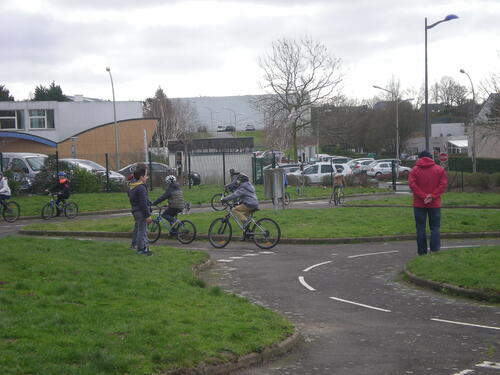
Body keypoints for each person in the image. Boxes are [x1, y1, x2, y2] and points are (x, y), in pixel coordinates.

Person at [408, 150, 448, 256]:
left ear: (419, 158)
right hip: (434, 204)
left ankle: (422, 252)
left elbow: (412, 185)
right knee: (435, 227)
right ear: (431, 158)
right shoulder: (439, 170)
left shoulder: (414, 170)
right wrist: (432, 196)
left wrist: (423, 196)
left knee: (420, 228)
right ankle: (434, 250)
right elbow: (442, 185)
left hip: (419, 203)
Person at [221, 173, 259, 240]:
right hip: (254, 203)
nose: (238, 181)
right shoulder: (249, 186)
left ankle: (246, 224)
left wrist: (224, 199)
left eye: (239, 180)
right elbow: (246, 197)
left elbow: (234, 195)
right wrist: (238, 202)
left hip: (249, 204)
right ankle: (246, 235)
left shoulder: (243, 187)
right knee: (244, 216)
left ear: (242, 181)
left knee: (235, 210)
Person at [128, 164, 153, 256]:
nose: (147, 177)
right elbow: (143, 203)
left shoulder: (132, 186)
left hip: (135, 211)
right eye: (146, 175)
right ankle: (141, 249)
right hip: (141, 212)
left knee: (141, 230)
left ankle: (144, 248)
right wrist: (147, 215)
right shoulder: (141, 187)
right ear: (142, 177)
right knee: (142, 231)